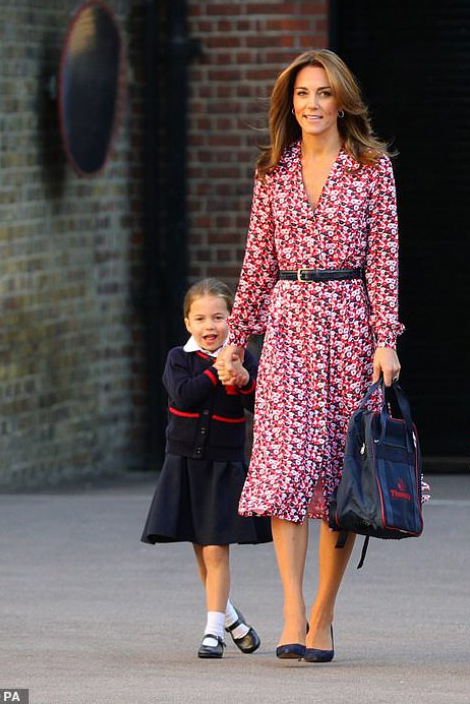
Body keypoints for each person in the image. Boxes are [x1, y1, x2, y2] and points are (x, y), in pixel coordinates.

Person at [215, 49, 403, 664]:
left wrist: (385, 338)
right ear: (289, 104)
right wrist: (235, 338)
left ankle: (323, 611)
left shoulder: (372, 169)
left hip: (350, 325)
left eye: (323, 93)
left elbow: (385, 262)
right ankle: (292, 611)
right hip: (290, 327)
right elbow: (256, 263)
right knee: (284, 473)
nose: (312, 105)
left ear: (341, 100)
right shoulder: (272, 172)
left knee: (339, 480)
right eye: (302, 94)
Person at [141, 278, 272, 659]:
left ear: (232, 319)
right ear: (187, 323)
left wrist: (245, 379)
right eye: (200, 318)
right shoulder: (177, 359)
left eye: (218, 317)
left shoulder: (243, 357)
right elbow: (183, 394)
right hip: (184, 463)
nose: (210, 326)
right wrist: (217, 372)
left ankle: (213, 632)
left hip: (222, 465)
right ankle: (233, 620)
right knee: (202, 550)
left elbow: (260, 402)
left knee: (216, 549)